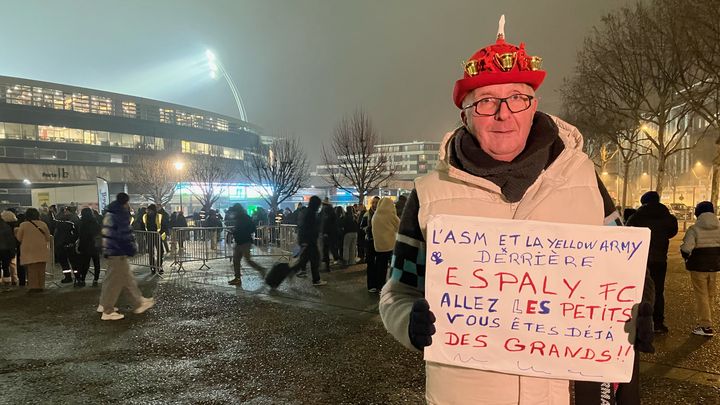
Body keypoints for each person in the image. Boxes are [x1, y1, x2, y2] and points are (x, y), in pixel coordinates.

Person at [378, 18, 654, 404]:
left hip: (567, 392)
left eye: (516, 99)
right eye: (486, 102)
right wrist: (410, 323)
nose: (503, 114)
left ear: (533, 106)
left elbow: (628, 272)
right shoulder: (428, 195)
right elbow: (397, 291)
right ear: (467, 116)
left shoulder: (586, 181)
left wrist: (641, 309)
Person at [626, 191, 678, 334]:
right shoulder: (668, 218)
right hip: (660, 260)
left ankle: (640, 323)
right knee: (658, 291)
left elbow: (627, 232)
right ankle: (658, 323)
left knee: (640, 291)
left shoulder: (637, 216)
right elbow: (672, 232)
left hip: (641, 259)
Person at [98, 193, 154, 321]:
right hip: (118, 251)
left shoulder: (110, 213)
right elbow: (125, 234)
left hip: (111, 249)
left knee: (123, 278)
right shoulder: (120, 215)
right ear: (125, 202)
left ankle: (136, 301)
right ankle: (109, 310)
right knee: (116, 282)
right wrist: (131, 249)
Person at [680, 201, 720, 337]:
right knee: (710, 295)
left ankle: (705, 326)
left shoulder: (694, 229)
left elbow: (686, 248)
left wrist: (685, 257)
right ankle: (707, 321)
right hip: (714, 266)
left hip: (698, 267)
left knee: (701, 295)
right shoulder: (719, 227)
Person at [287, 195, 327, 286]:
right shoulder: (311, 213)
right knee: (313, 259)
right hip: (309, 241)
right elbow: (308, 228)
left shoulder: (308, 212)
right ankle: (316, 280)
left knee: (305, 259)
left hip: (307, 240)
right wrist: (305, 241)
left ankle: (293, 272)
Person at [227, 204, 265, 286]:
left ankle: (261, 269)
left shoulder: (244, 218)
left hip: (245, 242)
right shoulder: (240, 218)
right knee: (236, 260)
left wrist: (235, 231)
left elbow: (248, 229)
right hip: (239, 242)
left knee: (248, 260)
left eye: (234, 211)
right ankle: (237, 278)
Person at [15, 208, 51, 293]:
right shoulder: (43, 224)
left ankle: (34, 287)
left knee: (31, 270)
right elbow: (48, 237)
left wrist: (16, 232)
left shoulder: (23, 225)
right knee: (41, 270)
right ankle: (41, 286)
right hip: (41, 249)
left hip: (29, 251)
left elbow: (19, 238)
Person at [370, 197, 399, 293]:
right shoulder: (390, 215)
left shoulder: (376, 215)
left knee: (380, 266)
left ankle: (379, 286)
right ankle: (391, 285)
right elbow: (399, 226)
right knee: (392, 266)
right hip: (390, 245)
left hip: (378, 245)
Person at [76, 207, 102, 287]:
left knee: (85, 264)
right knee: (96, 263)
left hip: (85, 246)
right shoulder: (95, 222)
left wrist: (79, 246)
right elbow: (99, 233)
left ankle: (83, 279)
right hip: (95, 245)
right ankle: (95, 279)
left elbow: (80, 235)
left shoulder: (81, 223)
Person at [142, 204, 168, 275]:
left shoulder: (159, 216)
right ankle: (152, 267)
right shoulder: (145, 216)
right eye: (148, 210)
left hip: (158, 236)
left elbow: (164, 226)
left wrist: (163, 235)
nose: (148, 211)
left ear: (153, 210)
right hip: (149, 236)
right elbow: (142, 226)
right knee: (151, 252)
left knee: (160, 251)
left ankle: (159, 266)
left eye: (149, 210)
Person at [360, 196, 379, 290]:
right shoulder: (367, 214)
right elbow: (361, 226)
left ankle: (379, 284)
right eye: (374, 202)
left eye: (377, 203)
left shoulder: (382, 214)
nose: (375, 205)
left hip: (380, 242)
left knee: (379, 264)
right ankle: (371, 285)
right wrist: (368, 229)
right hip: (370, 241)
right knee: (371, 264)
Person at [0, 211, 17, 286]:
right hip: (5, 250)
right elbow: (10, 240)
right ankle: (7, 282)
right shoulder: (6, 227)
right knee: (6, 267)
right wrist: (12, 251)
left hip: (4, 249)